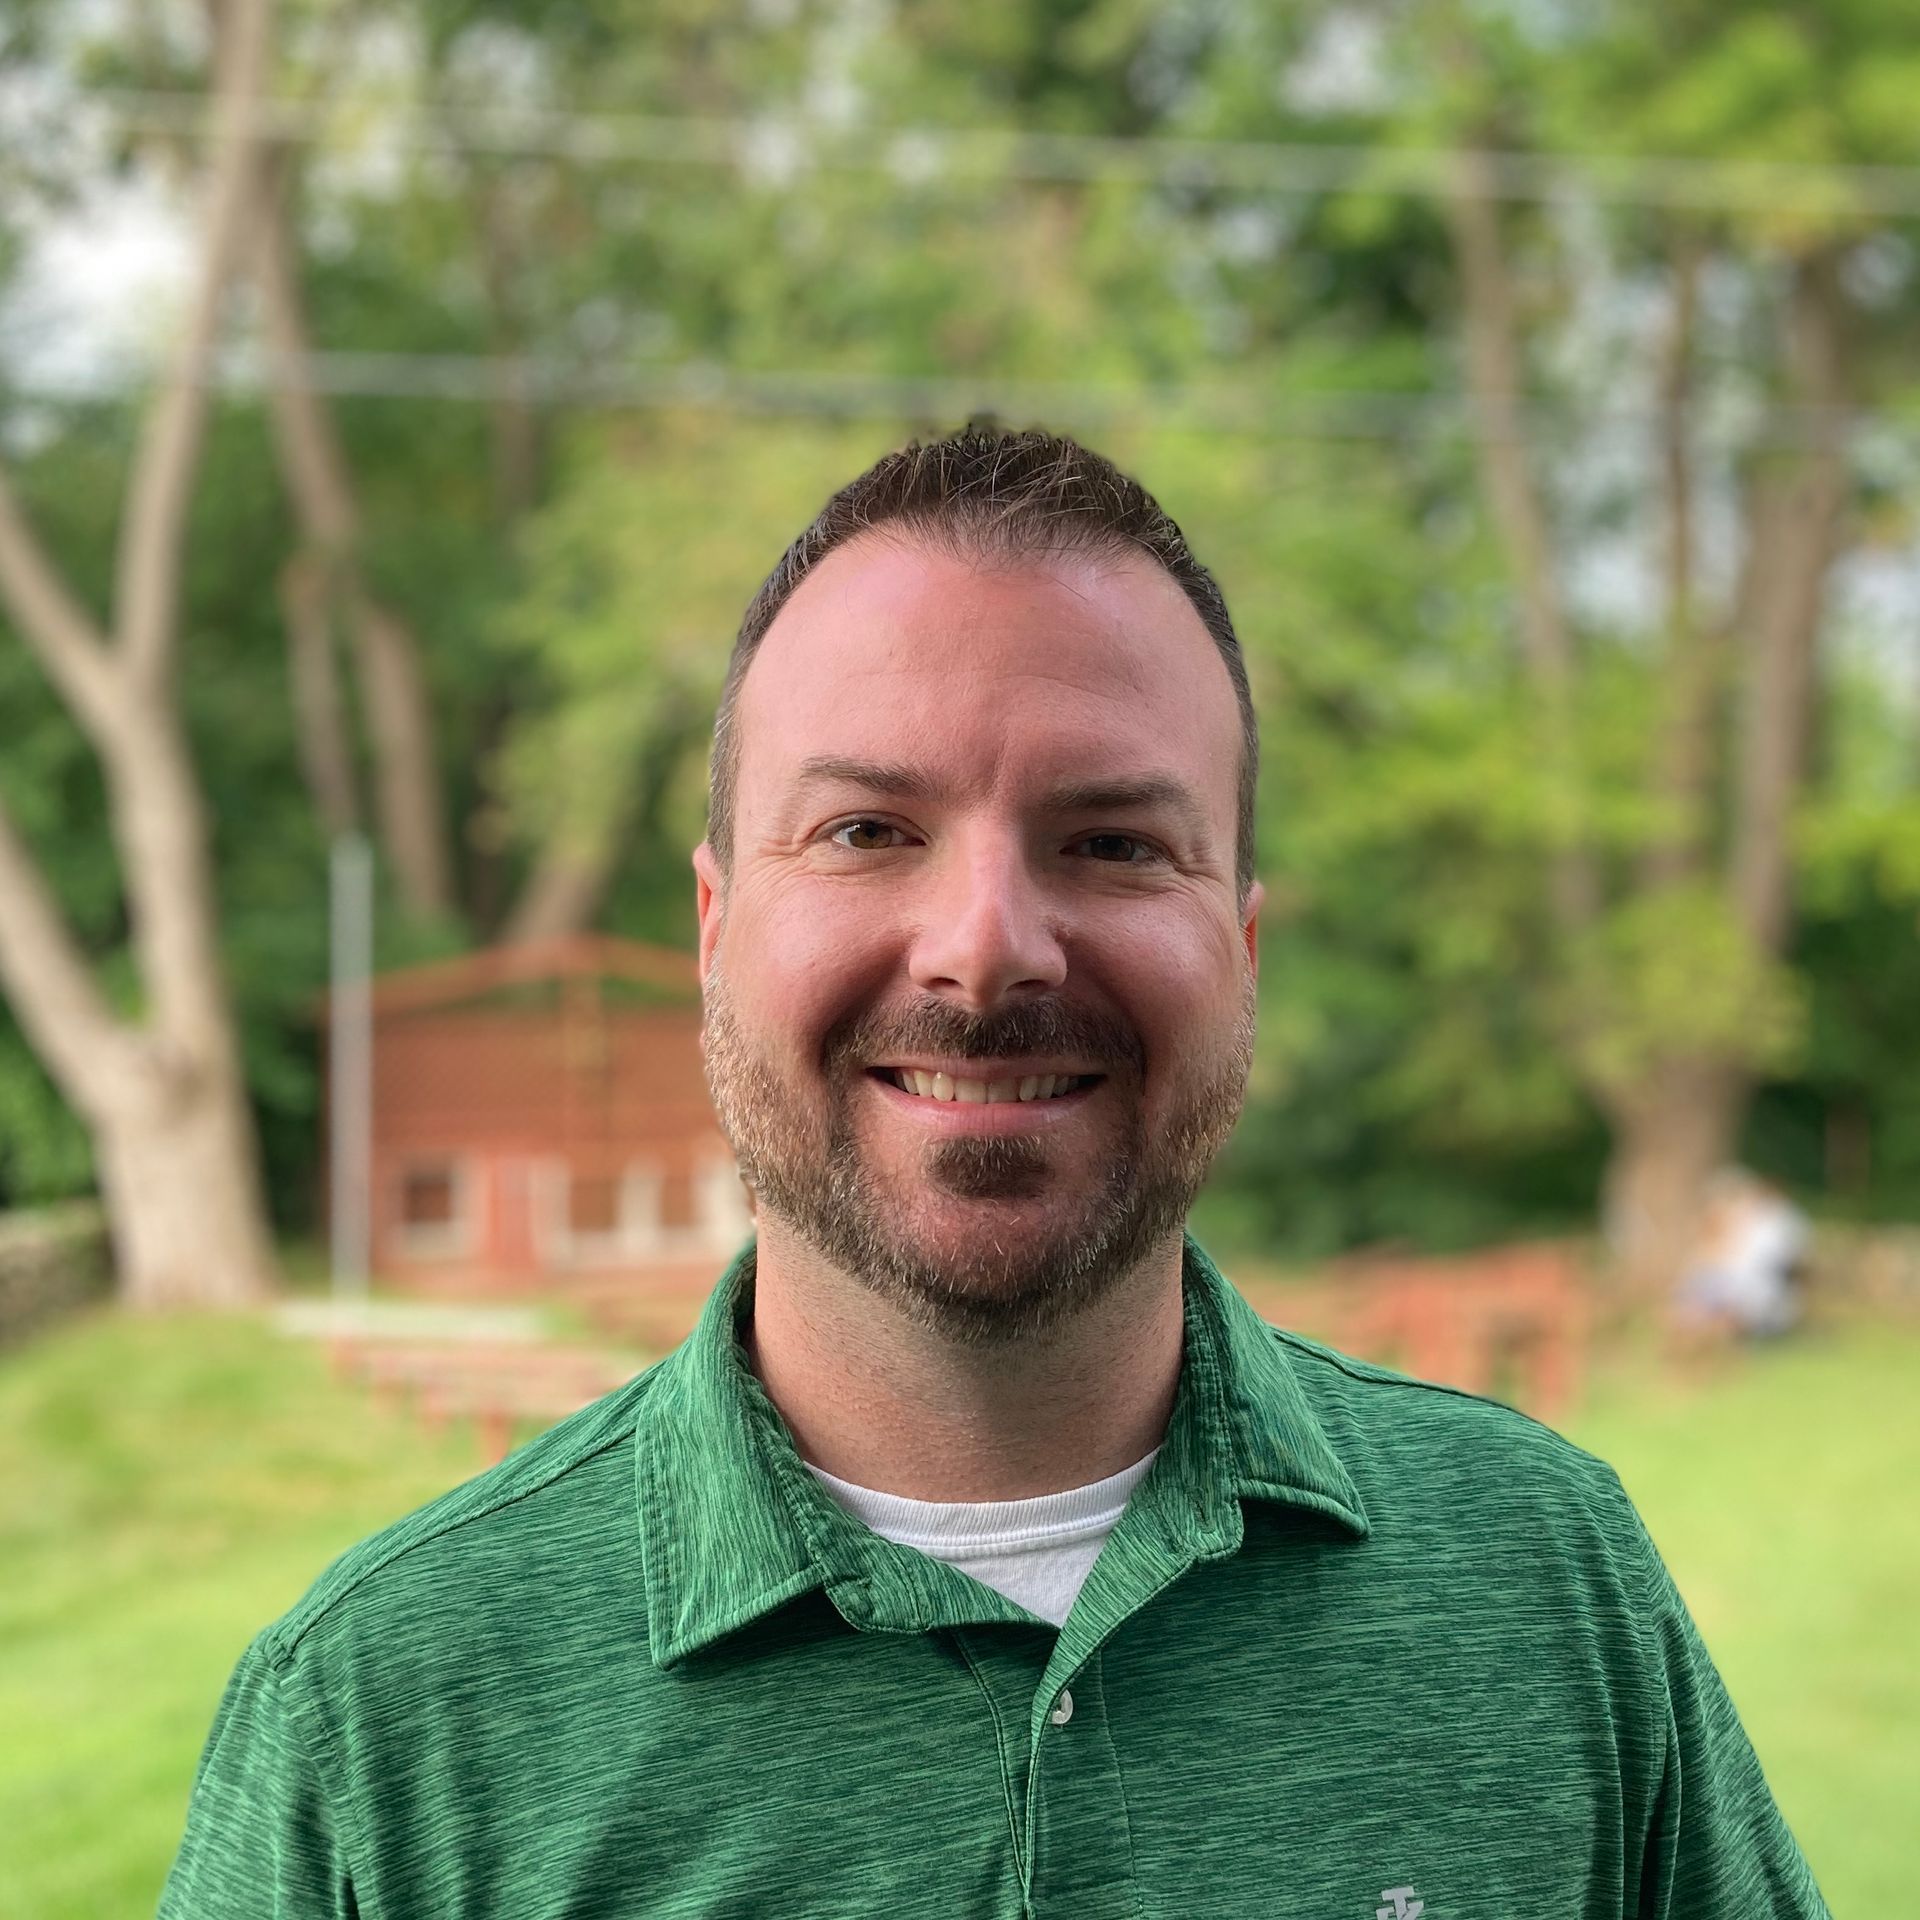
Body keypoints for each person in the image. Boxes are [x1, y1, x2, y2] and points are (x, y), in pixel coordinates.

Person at [160, 425, 1829, 1918]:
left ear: (1239, 950)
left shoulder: (1549, 1583)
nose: (982, 952)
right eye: (866, 831)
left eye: (1113, 842)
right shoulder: (379, 1715)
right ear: (715, 930)